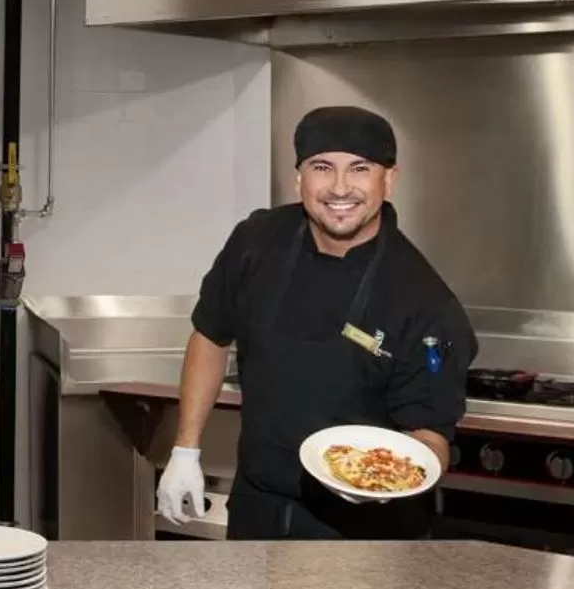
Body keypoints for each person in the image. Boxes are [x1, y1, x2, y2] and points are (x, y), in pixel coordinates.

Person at [155, 105, 476, 540]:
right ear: (299, 178)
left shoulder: (425, 302)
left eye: (360, 169)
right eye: (322, 167)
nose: (340, 187)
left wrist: (384, 484)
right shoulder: (256, 241)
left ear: (390, 179)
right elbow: (211, 335)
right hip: (256, 508)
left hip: (364, 535)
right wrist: (185, 448)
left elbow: (430, 436)